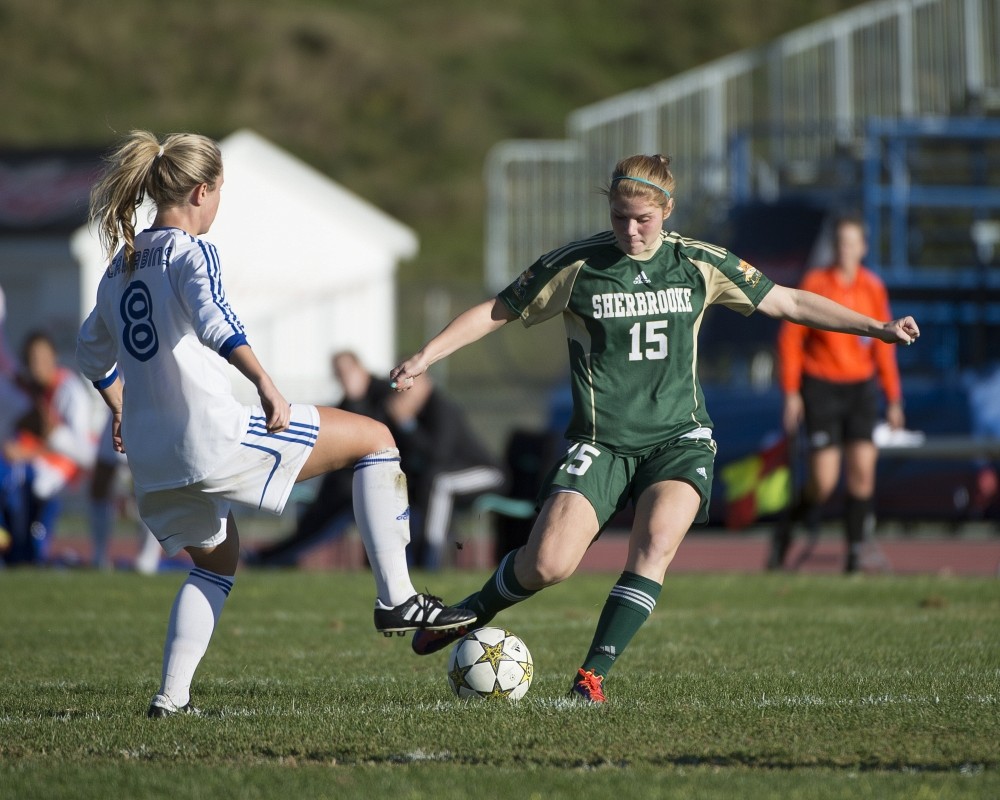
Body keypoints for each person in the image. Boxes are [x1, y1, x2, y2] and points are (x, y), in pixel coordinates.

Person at [389, 154, 920, 703]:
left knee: (655, 546)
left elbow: (786, 300)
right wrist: (427, 355)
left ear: (667, 209)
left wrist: (875, 328)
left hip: (678, 438)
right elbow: (497, 310)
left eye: (642, 218)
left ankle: (591, 677)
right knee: (547, 564)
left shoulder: (698, 262)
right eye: (620, 217)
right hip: (601, 443)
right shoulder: (578, 265)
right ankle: (469, 611)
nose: (630, 230)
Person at [75, 130, 475, 718]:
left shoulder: (120, 266)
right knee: (376, 440)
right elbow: (214, 319)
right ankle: (399, 599)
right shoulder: (190, 251)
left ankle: (171, 698)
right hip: (211, 437)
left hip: (153, 459)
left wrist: (119, 407)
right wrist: (264, 381)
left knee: (216, 564)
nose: (218, 207)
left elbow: (90, 354)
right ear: (202, 190)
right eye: (219, 195)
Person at [767, 214, 905, 574]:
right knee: (823, 482)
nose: (846, 250)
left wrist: (893, 398)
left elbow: (884, 347)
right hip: (822, 387)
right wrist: (791, 393)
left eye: (853, 243)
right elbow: (791, 342)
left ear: (864, 247)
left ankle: (855, 556)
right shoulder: (816, 282)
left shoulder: (872, 287)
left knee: (862, 472)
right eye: (841, 243)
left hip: (860, 388)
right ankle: (785, 532)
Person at [248, 350, 394, 567]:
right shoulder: (348, 401)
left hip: (373, 477)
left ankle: (274, 558)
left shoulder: (381, 392)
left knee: (327, 518)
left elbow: (378, 432)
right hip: (347, 479)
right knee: (316, 517)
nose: (343, 378)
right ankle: (275, 557)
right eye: (339, 373)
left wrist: (356, 399)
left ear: (359, 368)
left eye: (346, 371)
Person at [385, 373, 506, 569]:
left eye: (410, 384)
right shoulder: (414, 412)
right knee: (420, 482)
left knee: (439, 483)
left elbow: (438, 455)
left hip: (487, 473)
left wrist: (407, 424)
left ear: (425, 382)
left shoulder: (441, 408)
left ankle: (432, 556)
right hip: (448, 474)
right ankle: (406, 557)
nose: (404, 392)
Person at [1, 331, 96, 566]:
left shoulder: (68, 390)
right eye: (32, 359)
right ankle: (14, 546)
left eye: (43, 358)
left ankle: (31, 548)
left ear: (54, 357)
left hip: (69, 468)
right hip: (37, 463)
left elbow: (81, 451)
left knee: (28, 478)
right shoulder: (27, 390)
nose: (37, 365)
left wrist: (33, 448)